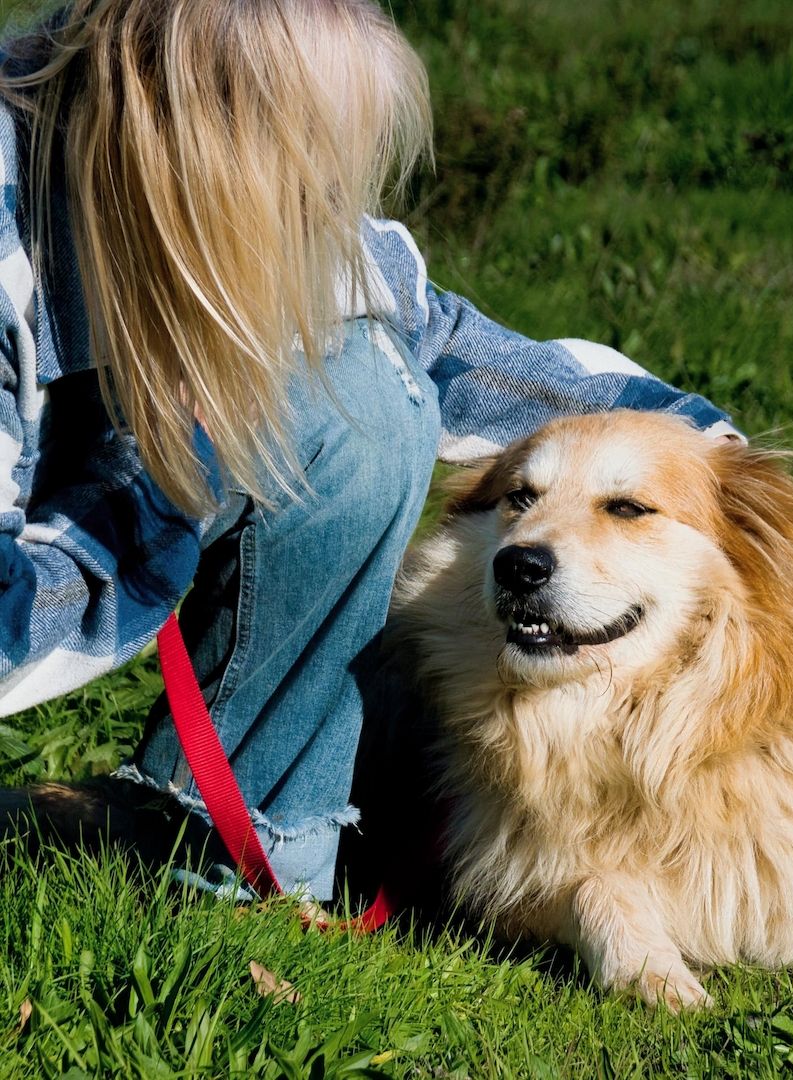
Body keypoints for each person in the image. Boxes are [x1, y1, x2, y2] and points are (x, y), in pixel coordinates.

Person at [0, 0, 737, 902]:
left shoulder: (259, 212)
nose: (324, 207)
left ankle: (246, 849)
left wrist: (715, 467)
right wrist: (170, 480)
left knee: (367, 394)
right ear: (178, 134)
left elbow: (442, 347)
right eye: (298, 159)